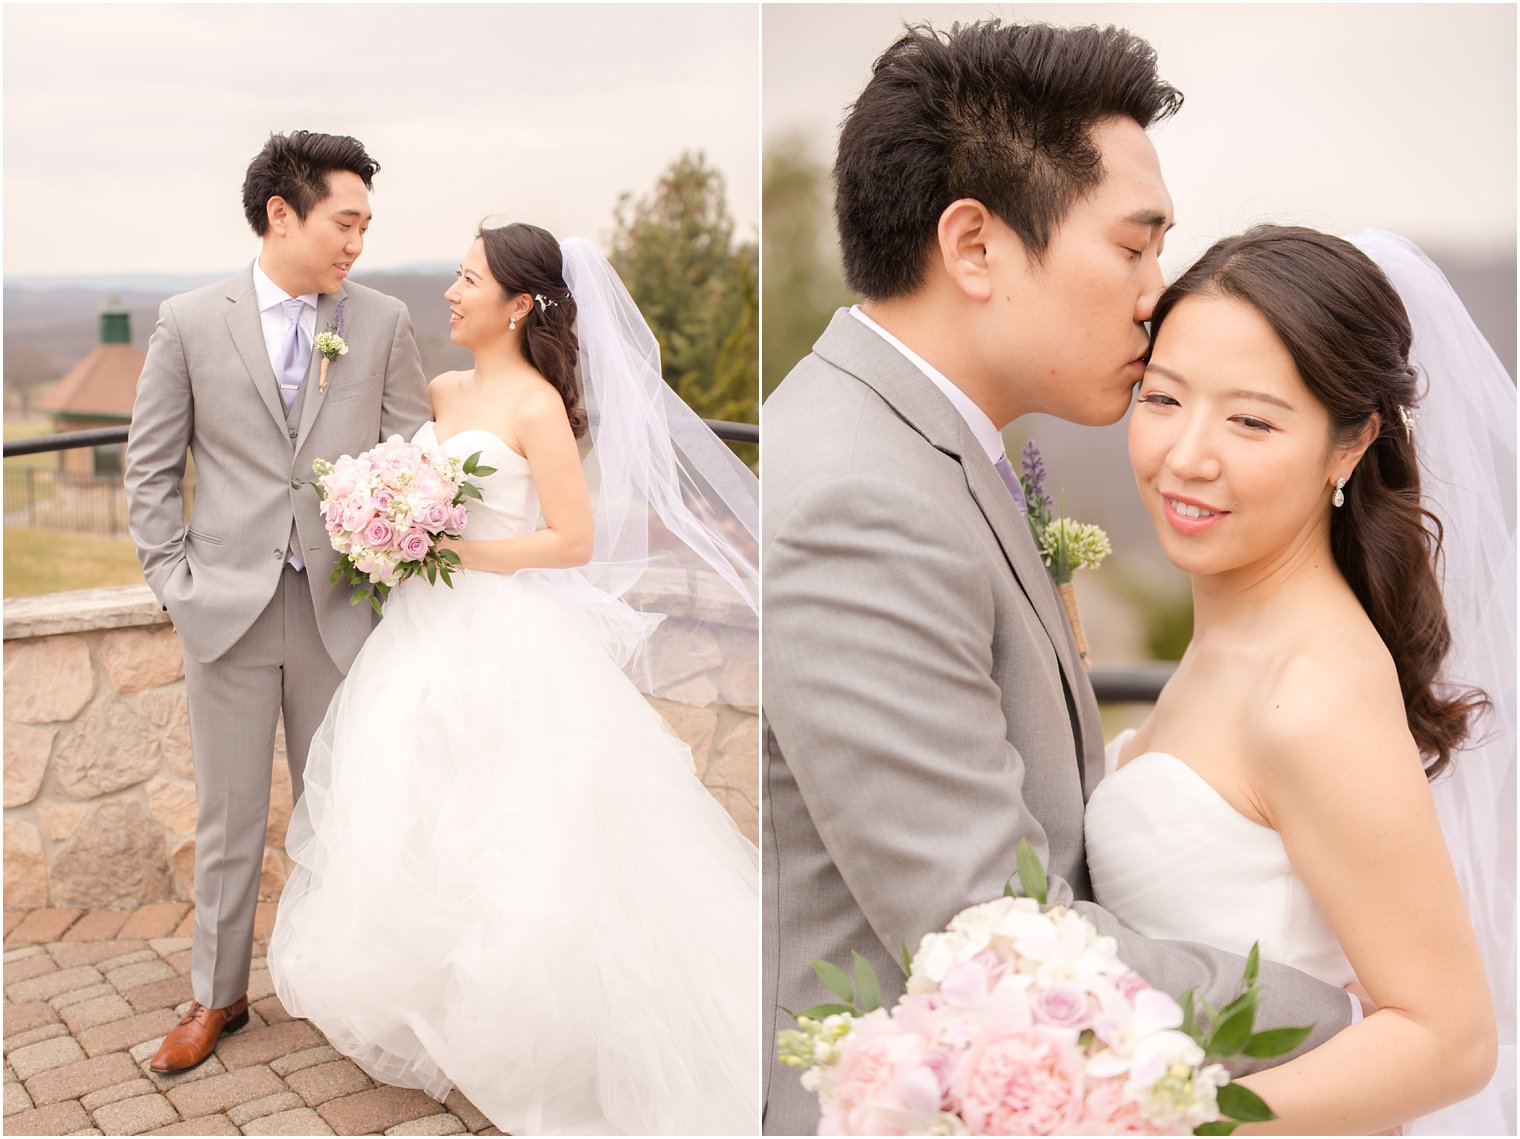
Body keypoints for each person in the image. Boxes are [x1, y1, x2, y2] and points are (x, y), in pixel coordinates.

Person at [761, 19, 1360, 1135]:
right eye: (1134, 247)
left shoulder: (927, 447)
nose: (1157, 293)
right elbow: (994, 935)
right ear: (975, 246)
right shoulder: (858, 500)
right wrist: (1343, 1013)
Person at [267, 221, 761, 1136]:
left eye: (467, 280)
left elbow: (570, 539)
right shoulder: (445, 388)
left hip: (505, 633)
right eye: (454, 277)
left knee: (519, 826)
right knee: (423, 810)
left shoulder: (538, 407)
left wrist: (454, 545)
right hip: (423, 630)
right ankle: (442, 1003)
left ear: (519, 303)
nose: (451, 293)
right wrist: (380, 523)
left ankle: (538, 1028)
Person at [1088, 225, 1510, 1133]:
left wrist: (1170, 1123)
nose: (1187, 455)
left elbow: (1451, 1037)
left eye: (1250, 420)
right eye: (1163, 398)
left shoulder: (1311, 689)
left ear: (1350, 445)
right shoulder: (1237, 636)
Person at [124, 129, 431, 1073]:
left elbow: (414, 462)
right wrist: (177, 584)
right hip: (227, 610)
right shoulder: (188, 319)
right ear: (281, 215)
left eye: (367, 227)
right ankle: (217, 996)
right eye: (345, 221)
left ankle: (355, 994)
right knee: (227, 817)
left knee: (345, 813)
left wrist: (386, 567)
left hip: (344, 612)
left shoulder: (381, 321)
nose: (356, 244)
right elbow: (150, 468)